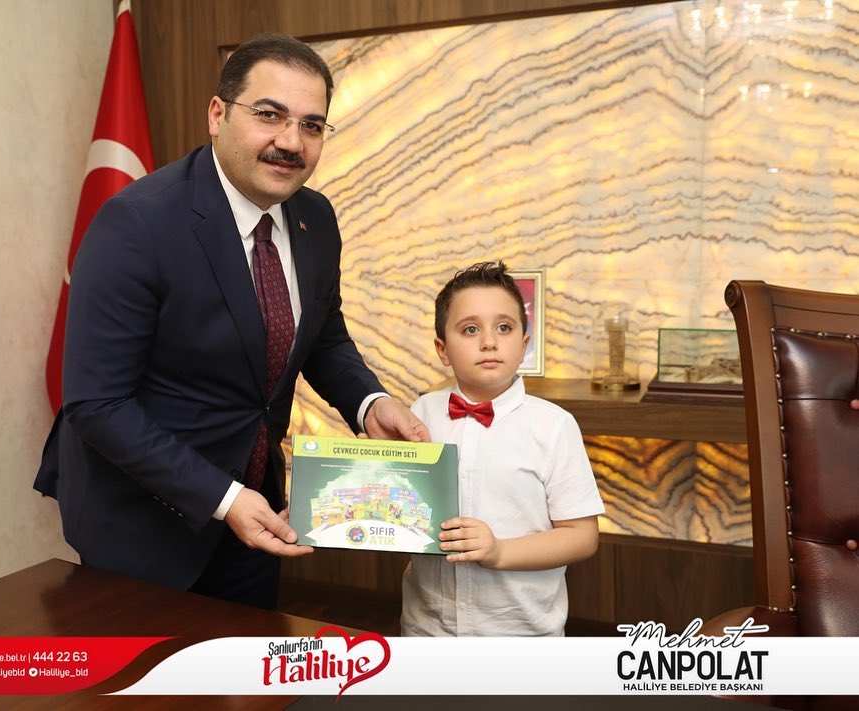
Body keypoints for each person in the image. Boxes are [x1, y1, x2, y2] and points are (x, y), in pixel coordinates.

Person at [33, 34, 427, 610]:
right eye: (269, 115)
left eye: (312, 125)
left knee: (243, 664)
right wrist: (222, 497)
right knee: (150, 670)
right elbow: (98, 403)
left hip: (257, 511)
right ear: (217, 114)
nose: (290, 141)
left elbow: (323, 336)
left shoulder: (316, 217)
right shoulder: (136, 223)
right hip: (143, 523)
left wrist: (370, 403)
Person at [401, 260, 604, 636]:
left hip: (521, 635)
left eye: (504, 328)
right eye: (470, 329)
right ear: (442, 350)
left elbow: (582, 536)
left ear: (524, 345)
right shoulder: (421, 412)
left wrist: (499, 551)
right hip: (427, 628)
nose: (489, 342)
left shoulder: (554, 426)